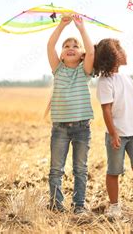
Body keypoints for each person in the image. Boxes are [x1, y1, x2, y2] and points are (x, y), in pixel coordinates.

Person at [94, 38, 133, 219]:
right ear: (113, 55)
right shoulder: (105, 81)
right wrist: (113, 133)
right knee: (114, 171)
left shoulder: (127, 78)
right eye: (120, 49)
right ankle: (114, 207)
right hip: (118, 134)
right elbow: (106, 110)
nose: (125, 52)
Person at [46, 14, 94, 215]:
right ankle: (56, 205)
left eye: (75, 45)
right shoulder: (58, 69)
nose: (71, 47)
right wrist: (62, 25)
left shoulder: (85, 71)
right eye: (67, 46)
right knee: (56, 169)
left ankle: (79, 205)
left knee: (80, 169)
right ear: (62, 55)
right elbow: (50, 46)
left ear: (82, 54)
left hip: (82, 128)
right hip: (59, 128)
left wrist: (81, 28)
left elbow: (92, 50)